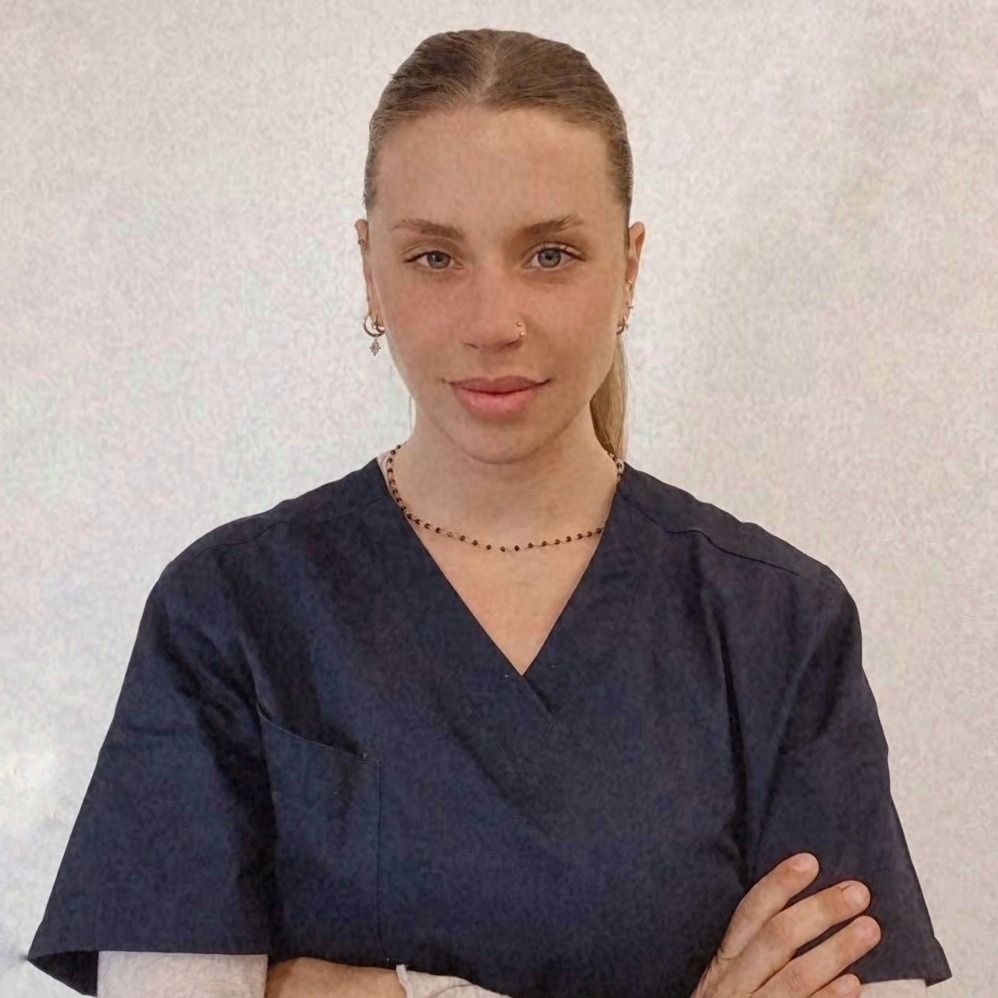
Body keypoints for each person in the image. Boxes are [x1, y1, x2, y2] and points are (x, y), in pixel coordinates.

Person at [25, 27, 950, 998]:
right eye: (434, 256)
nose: (492, 322)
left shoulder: (773, 622)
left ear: (629, 268)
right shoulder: (230, 612)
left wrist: (385, 991)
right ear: (370, 268)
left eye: (550, 253)